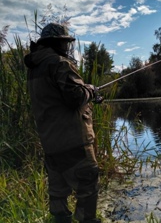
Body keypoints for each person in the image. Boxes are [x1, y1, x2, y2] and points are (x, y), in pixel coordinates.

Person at [24, 22, 103, 223]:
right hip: (73, 141)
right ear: (57, 43)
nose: (67, 47)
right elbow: (75, 97)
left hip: (51, 143)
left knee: (58, 192)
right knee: (88, 183)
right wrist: (90, 90)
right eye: (65, 43)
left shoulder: (35, 68)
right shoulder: (59, 63)